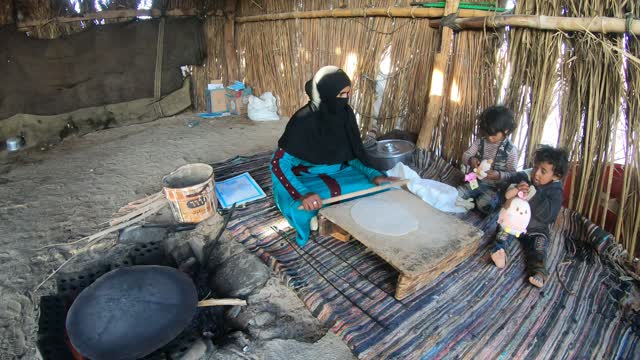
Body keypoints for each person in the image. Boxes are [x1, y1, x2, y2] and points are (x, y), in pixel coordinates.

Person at [271, 66, 397, 246]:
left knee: (383, 187)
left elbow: (352, 154)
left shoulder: (345, 114)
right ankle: (319, 213)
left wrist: (372, 174)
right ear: (325, 93)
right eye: (341, 95)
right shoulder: (303, 120)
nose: (345, 100)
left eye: (348, 94)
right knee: (301, 209)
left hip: (340, 173)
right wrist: (303, 193)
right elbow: (278, 164)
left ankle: (326, 214)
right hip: (307, 177)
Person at [490, 145, 569, 288]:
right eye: (535, 168)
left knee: (539, 247)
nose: (536, 173)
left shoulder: (555, 191)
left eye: (543, 171)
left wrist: (533, 195)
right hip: (514, 224)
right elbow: (505, 191)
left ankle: (538, 271)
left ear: (556, 176)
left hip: (536, 229)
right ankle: (500, 252)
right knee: (502, 232)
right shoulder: (526, 177)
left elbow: (549, 215)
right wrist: (513, 187)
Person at [457, 105, 519, 214]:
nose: (490, 138)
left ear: (506, 130)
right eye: (488, 134)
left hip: (494, 189)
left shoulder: (511, 150)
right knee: (458, 193)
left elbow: (513, 174)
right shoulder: (480, 142)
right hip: (474, 181)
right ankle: (471, 201)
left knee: (485, 205)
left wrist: (499, 175)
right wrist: (471, 160)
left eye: (494, 135)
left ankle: (474, 203)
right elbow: (465, 155)